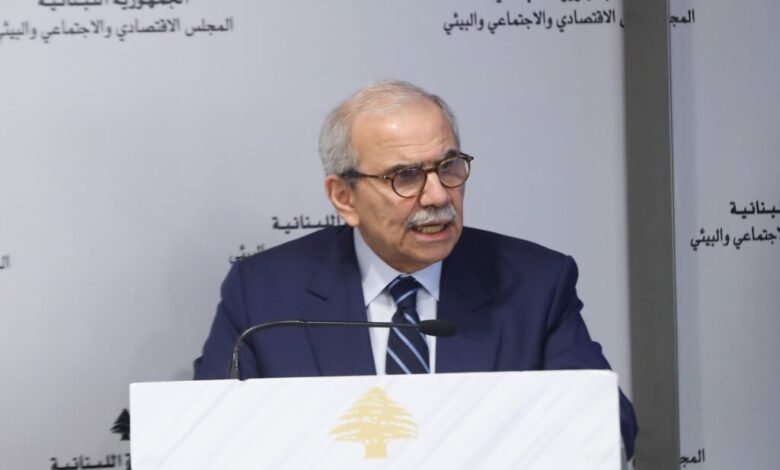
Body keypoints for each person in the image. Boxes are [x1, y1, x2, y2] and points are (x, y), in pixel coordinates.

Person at [193, 80, 638, 458]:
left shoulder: (534, 283)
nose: (438, 196)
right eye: (404, 176)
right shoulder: (263, 294)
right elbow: (208, 441)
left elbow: (609, 429)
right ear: (344, 197)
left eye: (449, 167)